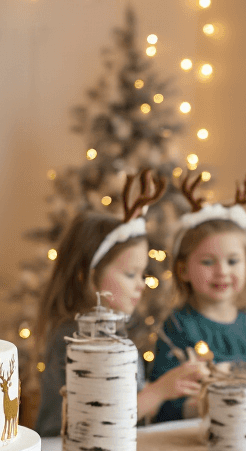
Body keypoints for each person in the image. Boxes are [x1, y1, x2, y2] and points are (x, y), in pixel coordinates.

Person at [35, 172, 205, 436]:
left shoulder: (117, 334)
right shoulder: (75, 339)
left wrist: (187, 403)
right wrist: (159, 390)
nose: (141, 284)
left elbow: (131, 412)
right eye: (130, 274)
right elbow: (101, 421)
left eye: (142, 274)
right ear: (87, 276)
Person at [150, 172, 246, 422]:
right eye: (208, 261)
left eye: (233, 261)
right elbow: (163, 403)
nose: (222, 272)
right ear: (183, 270)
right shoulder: (177, 326)